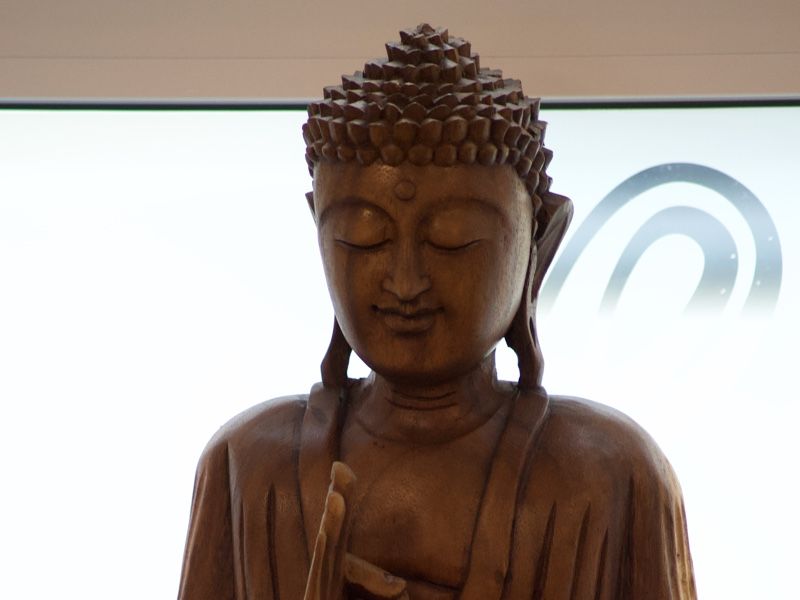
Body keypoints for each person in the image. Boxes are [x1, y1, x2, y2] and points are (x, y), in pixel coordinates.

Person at [178, 24, 696, 600]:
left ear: (539, 244)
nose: (406, 282)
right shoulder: (248, 464)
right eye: (362, 238)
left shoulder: (612, 472)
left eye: (453, 240)